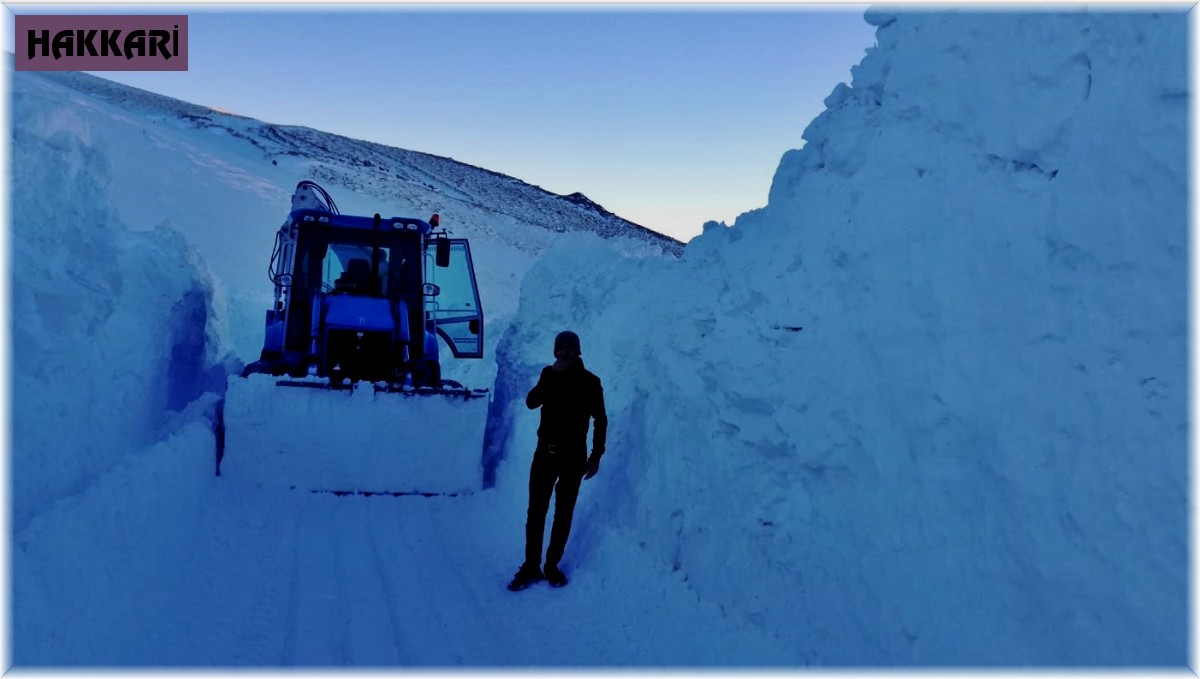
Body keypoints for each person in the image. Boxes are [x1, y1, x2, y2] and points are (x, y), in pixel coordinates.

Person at [507, 330, 607, 591]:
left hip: (574, 457)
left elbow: (601, 420)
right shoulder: (547, 376)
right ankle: (531, 566)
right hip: (546, 454)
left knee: (563, 513)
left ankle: (551, 566)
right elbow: (531, 402)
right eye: (559, 349)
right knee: (536, 511)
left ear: (577, 351)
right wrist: (549, 377)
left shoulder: (590, 382)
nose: (563, 353)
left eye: (568, 349)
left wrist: (596, 456)